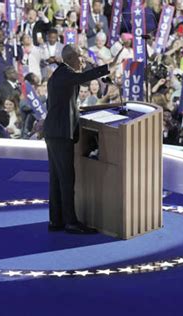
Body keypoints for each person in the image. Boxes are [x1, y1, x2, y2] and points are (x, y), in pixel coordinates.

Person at [43, 44, 120, 234]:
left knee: (57, 178)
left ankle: (56, 220)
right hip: (60, 133)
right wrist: (108, 66)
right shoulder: (66, 74)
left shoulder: (58, 74)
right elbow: (84, 78)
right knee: (66, 178)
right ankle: (70, 222)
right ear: (71, 58)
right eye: (81, 57)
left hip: (54, 131)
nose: (83, 60)